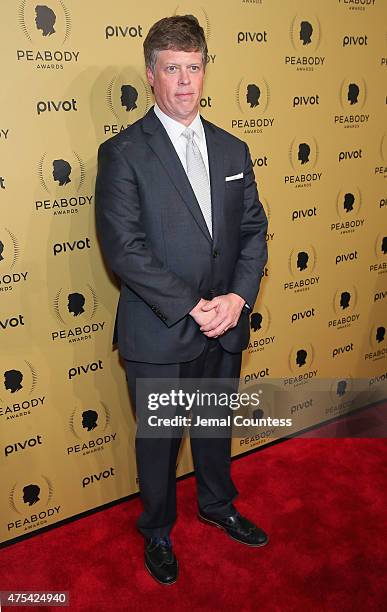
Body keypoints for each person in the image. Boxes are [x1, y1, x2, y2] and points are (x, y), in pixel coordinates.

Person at [95, 14, 269, 585]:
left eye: (194, 67)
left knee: (215, 429)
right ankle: (157, 532)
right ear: (152, 75)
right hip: (161, 328)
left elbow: (253, 232)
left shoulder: (233, 149)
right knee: (159, 444)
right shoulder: (123, 152)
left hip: (227, 323)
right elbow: (124, 248)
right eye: (173, 69)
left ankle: (218, 506)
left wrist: (238, 300)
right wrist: (197, 304)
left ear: (204, 69)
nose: (186, 82)